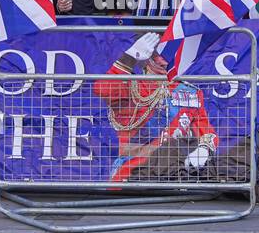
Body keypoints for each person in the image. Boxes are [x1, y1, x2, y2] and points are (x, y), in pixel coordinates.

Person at [92, 32, 218, 183]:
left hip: (177, 173)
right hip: (134, 171)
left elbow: (206, 131)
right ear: (147, 57)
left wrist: (204, 149)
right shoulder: (132, 87)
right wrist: (129, 58)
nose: (165, 60)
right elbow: (102, 89)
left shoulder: (189, 92)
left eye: (170, 51)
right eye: (159, 53)